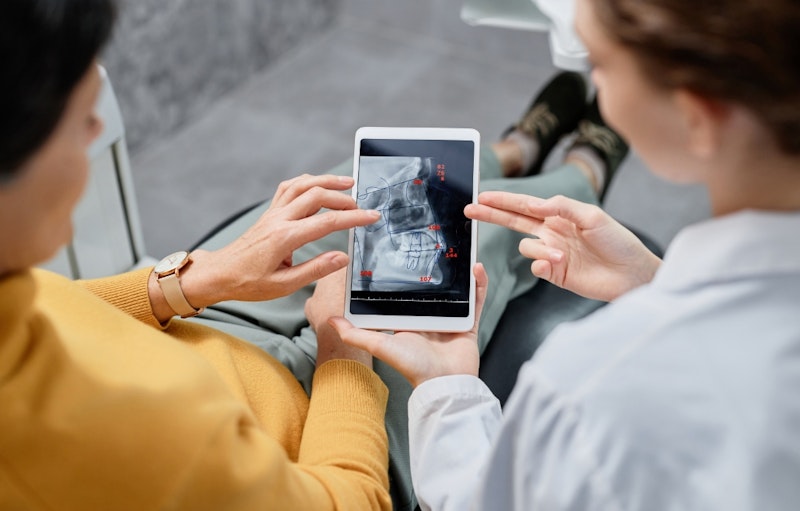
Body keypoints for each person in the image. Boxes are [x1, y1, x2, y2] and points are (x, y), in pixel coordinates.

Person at [0, 1, 632, 510]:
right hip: (324, 431)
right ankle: (586, 169)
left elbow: (59, 306)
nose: (96, 133)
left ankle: (511, 151)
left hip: (208, 326)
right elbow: (345, 500)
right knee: (476, 237)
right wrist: (343, 358)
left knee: (372, 189)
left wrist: (196, 279)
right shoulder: (135, 438)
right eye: (83, 118)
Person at [329, 0, 800, 509]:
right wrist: (651, 282)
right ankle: (578, 162)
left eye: (598, 64)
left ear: (696, 119)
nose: (595, 80)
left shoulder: (589, 386)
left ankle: (536, 154)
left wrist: (446, 387)